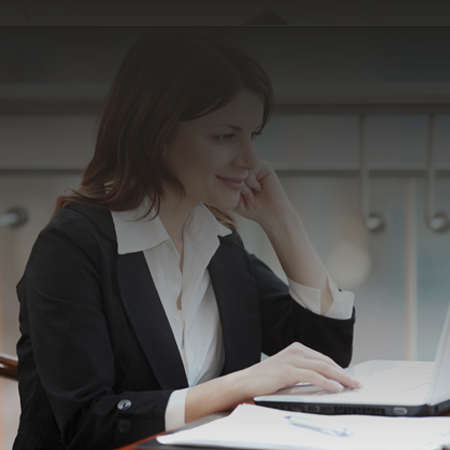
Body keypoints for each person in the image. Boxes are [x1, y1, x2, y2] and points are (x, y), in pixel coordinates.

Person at [13, 31, 360, 450]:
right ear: (155, 132)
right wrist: (238, 385)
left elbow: (324, 354)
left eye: (254, 135)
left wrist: (282, 222)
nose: (250, 160)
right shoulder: (72, 248)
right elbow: (90, 425)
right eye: (224, 136)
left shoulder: (216, 244)